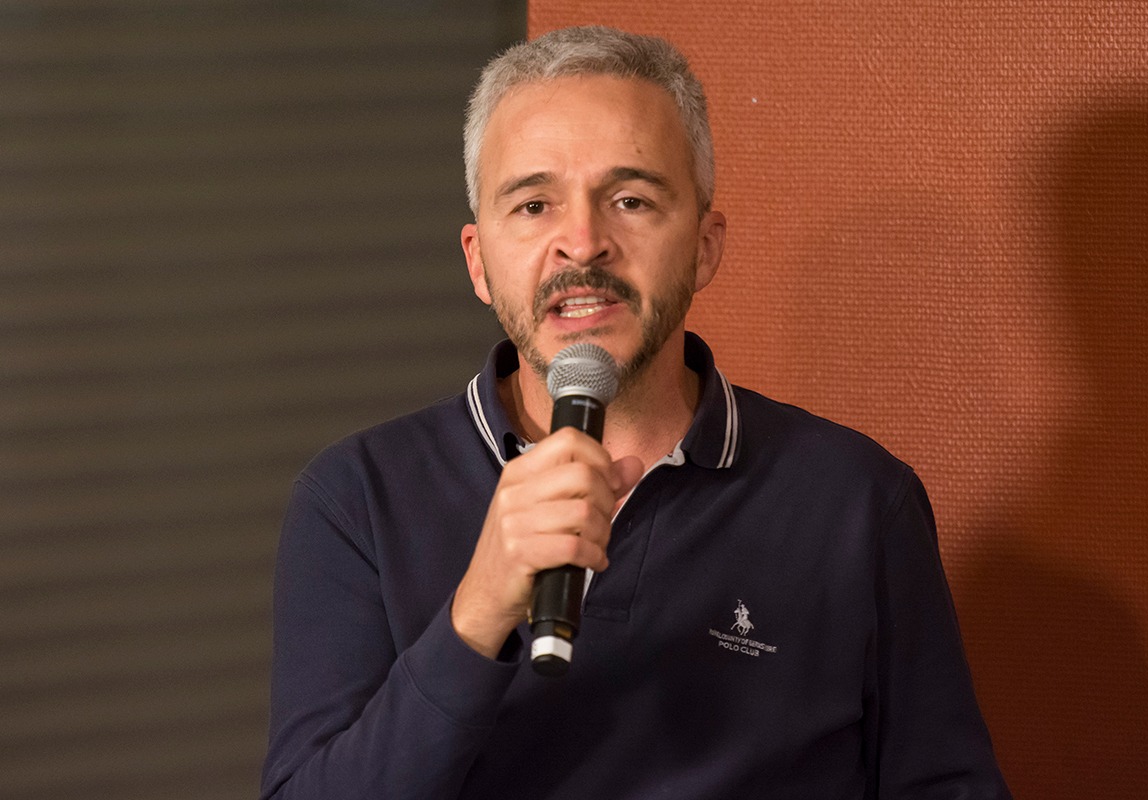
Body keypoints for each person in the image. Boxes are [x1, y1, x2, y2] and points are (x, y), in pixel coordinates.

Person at [261, 25, 1010, 799]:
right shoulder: (357, 499)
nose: (583, 244)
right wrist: (476, 616)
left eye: (631, 200)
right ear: (478, 262)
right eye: (534, 204)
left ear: (705, 246)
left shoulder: (857, 501)